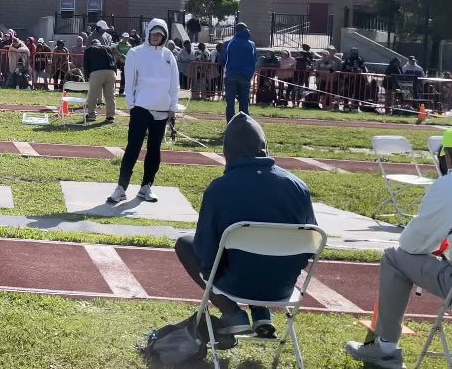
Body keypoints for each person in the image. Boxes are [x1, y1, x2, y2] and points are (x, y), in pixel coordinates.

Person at [177, 113, 317, 339]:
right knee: (263, 250)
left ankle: (233, 313)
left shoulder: (219, 189)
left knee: (186, 244)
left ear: (226, 153)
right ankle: (262, 314)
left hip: (235, 284)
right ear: (265, 148)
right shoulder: (297, 186)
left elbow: (205, 252)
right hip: (281, 286)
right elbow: (310, 246)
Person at [343, 158, 452, 369]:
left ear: (446, 157)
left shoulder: (447, 186)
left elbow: (411, 244)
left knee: (394, 257)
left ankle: (386, 348)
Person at [108, 19, 179, 204]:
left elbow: (174, 84)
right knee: (133, 147)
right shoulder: (135, 53)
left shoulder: (169, 55)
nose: (156, 37)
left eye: (160, 34)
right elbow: (129, 82)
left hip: (162, 110)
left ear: (164, 36)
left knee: (154, 149)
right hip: (141, 108)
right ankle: (121, 187)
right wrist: (131, 105)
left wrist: (173, 108)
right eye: (154, 33)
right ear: (148, 33)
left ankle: (146, 186)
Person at [221, 22, 257, 121]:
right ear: (246, 30)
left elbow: (223, 60)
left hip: (231, 75)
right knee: (244, 103)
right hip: (246, 76)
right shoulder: (251, 44)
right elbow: (255, 60)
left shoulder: (228, 43)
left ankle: (230, 125)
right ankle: (244, 125)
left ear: (236, 31)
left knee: (230, 103)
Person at [83, 38, 117, 122]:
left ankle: (91, 115)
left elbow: (86, 64)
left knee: (93, 94)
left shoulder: (89, 49)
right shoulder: (108, 48)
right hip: (111, 72)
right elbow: (114, 61)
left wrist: (86, 76)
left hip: (96, 72)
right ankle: (110, 116)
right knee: (110, 95)